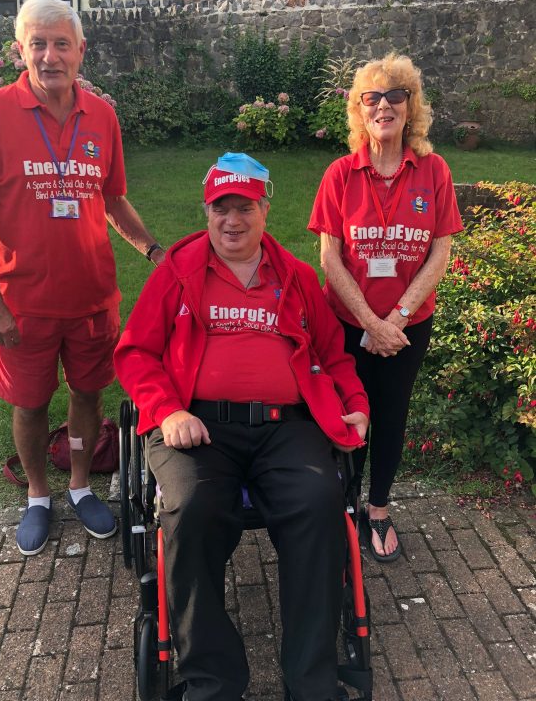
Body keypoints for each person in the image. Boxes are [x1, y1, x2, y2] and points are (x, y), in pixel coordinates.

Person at [114, 155, 369, 701]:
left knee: (319, 501)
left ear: (264, 210)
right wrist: (168, 411)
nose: (233, 219)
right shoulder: (176, 274)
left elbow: (334, 354)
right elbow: (135, 353)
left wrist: (354, 403)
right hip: (195, 425)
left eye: (244, 207)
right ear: (207, 212)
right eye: (221, 208)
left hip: (288, 426)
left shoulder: (297, 277)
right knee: (191, 508)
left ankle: (313, 680)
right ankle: (212, 679)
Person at [0, 0, 165, 557]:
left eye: (61, 44)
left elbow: (114, 200)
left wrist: (153, 251)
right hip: (21, 303)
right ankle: (37, 495)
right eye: (38, 44)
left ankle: (77, 484)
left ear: (81, 52)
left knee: (88, 397)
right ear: (20, 49)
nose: (50, 56)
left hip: (93, 299)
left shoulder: (101, 115)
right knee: (28, 403)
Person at [308, 53, 463, 562]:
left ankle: (377, 508)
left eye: (395, 96)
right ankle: (341, 502)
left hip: (406, 327)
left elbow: (441, 249)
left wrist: (394, 321)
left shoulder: (434, 171)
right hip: (347, 324)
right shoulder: (339, 174)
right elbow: (330, 254)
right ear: (358, 110)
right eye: (371, 98)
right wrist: (370, 323)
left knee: (391, 416)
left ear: (410, 107)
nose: (383, 106)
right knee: (349, 411)